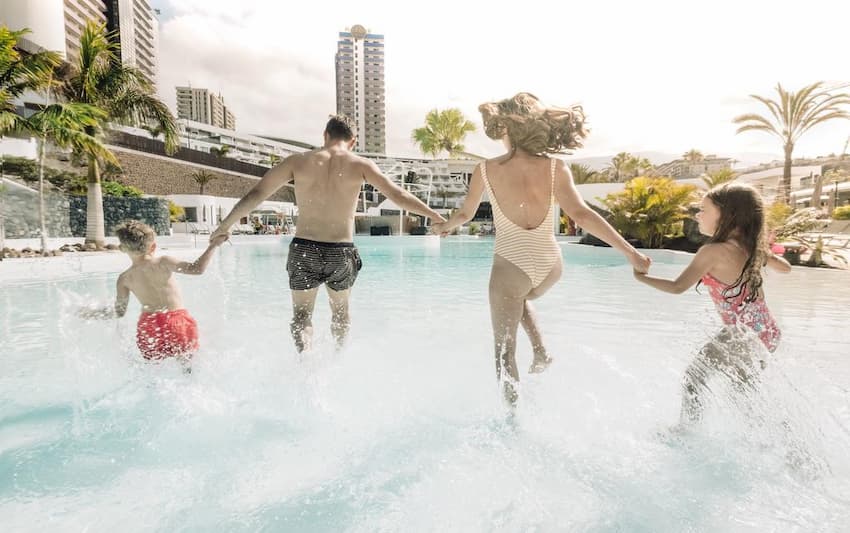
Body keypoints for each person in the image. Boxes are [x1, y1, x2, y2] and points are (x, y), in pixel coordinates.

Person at [432, 93, 651, 403]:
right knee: (518, 298)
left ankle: (512, 418)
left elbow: (466, 214)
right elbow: (582, 215)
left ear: (505, 127)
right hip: (550, 266)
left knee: (504, 351)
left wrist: (444, 226)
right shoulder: (555, 167)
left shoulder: (485, 170)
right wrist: (631, 253)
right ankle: (541, 351)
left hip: (511, 266)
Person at [211, 115, 446, 352]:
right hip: (340, 252)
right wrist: (434, 216)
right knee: (341, 314)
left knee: (302, 316)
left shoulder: (298, 161)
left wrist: (225, 226)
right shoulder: (361, 165)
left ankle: (305, 359)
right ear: (353, 141)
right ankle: (337, 358)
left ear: (325, 135)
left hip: (304, 249)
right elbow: (398, 195)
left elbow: (257, 194)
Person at [633, 183, 791, 425]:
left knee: (694, 378)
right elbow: (786, 268)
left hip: (743, 332)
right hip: (766, 331)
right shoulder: (749, 248)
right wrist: (762, 253)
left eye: (704, 210)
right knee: (743, 393)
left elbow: (677, 287)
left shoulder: (712, 251)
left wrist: (641, 278)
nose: (698, 215)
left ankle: (686, 431)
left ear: (728, 215)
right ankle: (776, 434)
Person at [79, 220, 227, 365]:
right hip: (177, 322)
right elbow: (197, 269)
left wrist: (91, 313)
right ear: (153, 246)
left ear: (122, 248)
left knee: (153, 370)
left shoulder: (124, 279)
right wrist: (214, 245)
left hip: (149, 326)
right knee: (187, 365)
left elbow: (120, 312)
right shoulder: (163, 262)